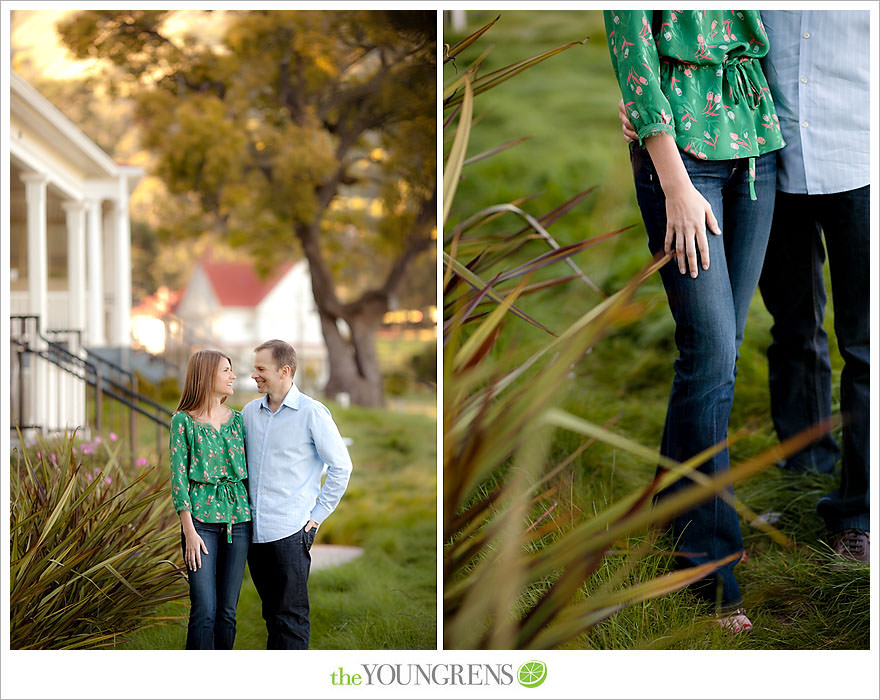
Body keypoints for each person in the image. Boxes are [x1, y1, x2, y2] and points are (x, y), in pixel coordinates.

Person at [605, 9, 786, 633]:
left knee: (719, 356)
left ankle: (668, 520)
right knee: (710, 360)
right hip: (684, 165)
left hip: (756, 153)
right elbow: (634, 60)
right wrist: (675, 184)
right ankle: (709, 571)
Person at [758, 10, 869, 563]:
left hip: (861, 160)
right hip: (768, 160)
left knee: (866, 348)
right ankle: (805, 468)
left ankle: (860, 513)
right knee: (793, 328)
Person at [241, 339, 353, 649]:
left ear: (285, 370)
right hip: (254, 532)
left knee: (290, 618)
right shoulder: (250, 412)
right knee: (272, 615)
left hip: (291, 531)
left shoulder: (312, 413)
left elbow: (341, 467)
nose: (254, 375)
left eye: (261, 369)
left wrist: (316, 518)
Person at [170, 349, 251, 649]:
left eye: (232, 370)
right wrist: (189, 532)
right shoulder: (183, 422)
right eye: (226, 371)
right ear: (206, 376)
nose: (233, 376)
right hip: (201, 524)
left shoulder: (239, 420)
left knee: (227, 613)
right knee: (204, 610)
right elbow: (178, 479)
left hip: (238, 521)